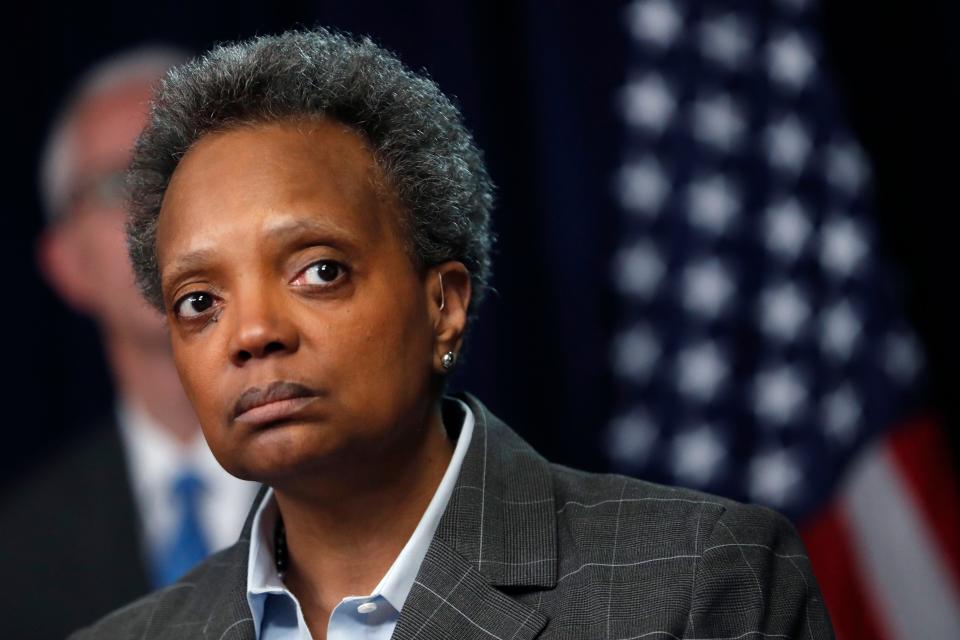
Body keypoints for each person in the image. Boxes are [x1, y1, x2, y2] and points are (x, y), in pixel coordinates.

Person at [70, 29, 834, 640]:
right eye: (199, 301)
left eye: (319, 272)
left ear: (446, 304)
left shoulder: (704, 587)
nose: (254, 333)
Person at [0, 48, 258, 639]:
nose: (158, 212)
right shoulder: (15, 555)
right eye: (120, 183)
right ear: (67, 263)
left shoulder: (361, 474)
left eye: (178, 166)